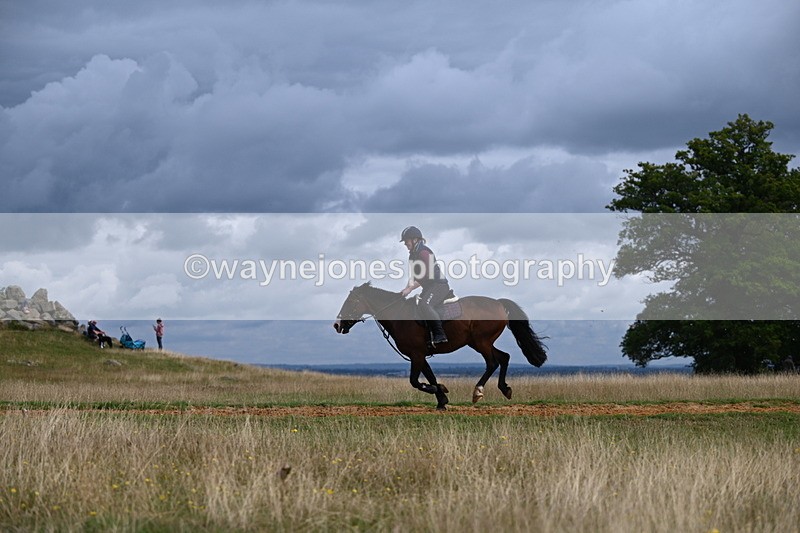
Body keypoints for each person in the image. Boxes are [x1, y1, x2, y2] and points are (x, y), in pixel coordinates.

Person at [399, 226, 450, 346]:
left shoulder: (424, 253)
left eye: (406, 241)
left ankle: (440, 334)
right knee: (417, 307)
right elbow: (414, 277)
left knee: (424, 304)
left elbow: (426, 276)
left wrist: (410, 289)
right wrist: (406, 290)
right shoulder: (412, 255)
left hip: (439, 285)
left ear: (415, 240)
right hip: (429, 288)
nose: (405, 244)